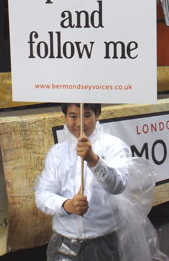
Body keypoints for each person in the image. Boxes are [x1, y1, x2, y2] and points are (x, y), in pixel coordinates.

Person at [35, 103, 131, 260]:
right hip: (65, 238)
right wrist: (66, 205)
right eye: (73, 116)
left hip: (104, 237)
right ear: (64, 117)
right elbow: (42, 194)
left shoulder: (113, 146)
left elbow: (118, 185)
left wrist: (93, 160)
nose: (79, 123)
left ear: (97, 115)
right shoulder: (57, 153)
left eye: (86, 115)